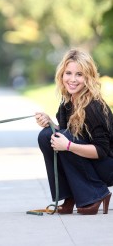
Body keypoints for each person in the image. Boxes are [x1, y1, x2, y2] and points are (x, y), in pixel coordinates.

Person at [35, 48, 113, 215]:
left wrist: (68, 145)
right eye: (68, 73)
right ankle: (69, 196)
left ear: (88, 77)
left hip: (107, 166)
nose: (72, 79)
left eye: (79, 74)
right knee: (46, 136)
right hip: (91, 163)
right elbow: (65, 133)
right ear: (61, 75)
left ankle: (97, 193)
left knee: (63, 139)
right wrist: (49, 123)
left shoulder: (94, 106)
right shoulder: (68, 103)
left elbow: (101, 151)